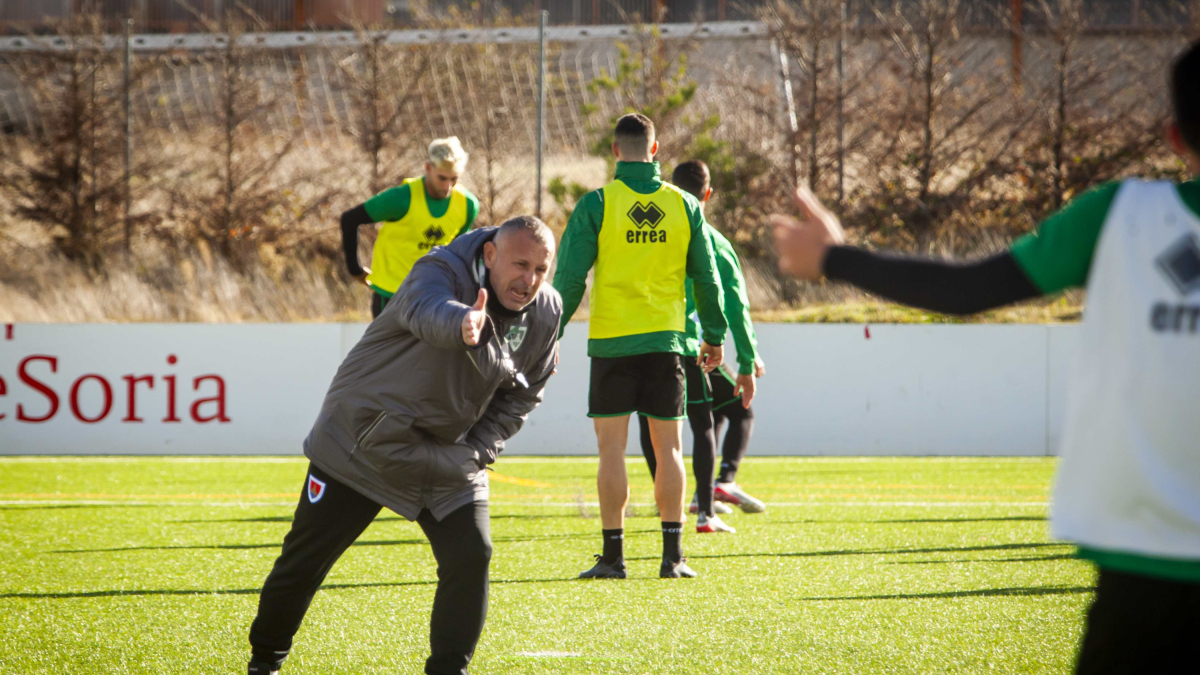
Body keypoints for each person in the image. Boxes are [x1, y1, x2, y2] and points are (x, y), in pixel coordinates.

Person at [770, 41, 1200, 675]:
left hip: (1144, 572)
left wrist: (835, 258)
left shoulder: (1122, 215)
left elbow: (969, 289)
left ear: (1173, 136)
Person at [246, 217, 560, 675]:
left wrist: (477, 451)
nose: (529, 280)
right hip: (363, 439)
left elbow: (523, 394)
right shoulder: (438, 268)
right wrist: (462, 322)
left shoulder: (547, 310)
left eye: (540, 269)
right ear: (490, 255)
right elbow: (425, 309)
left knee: (472, 553)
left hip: (449, 455)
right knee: (305, 560)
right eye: (520, 264)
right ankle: (264, 662)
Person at [553, 113, 727, 579]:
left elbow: (569, 278)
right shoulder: (685, 205)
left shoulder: (596, 204)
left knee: (611, 450)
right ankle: (673, 559)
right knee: (669, 447)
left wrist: (548, 331)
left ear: (614, 150)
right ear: (655, 150)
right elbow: (707, 279)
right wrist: (714, 335)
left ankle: (613, 558)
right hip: (666, 341)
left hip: (611, 341)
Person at [635, 160, 765, 534]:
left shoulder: (652, 236)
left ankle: (674, 503)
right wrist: (747, 356)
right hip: (694, 348)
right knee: (705, 421)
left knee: (652, 424)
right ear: (708, 194)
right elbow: (735, 305)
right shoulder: (713, 242)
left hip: (646, 343)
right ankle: (706, 509)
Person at [341, 137, 481, 318]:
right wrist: (355, 270)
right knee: (390, 348)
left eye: (454, 179)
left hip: (433, 296)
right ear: (428, 168)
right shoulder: (401, 198)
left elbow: (458, 251)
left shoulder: (467, 205)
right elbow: (349, 219)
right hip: (391, 294)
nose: (447, 187)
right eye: (442, 178)